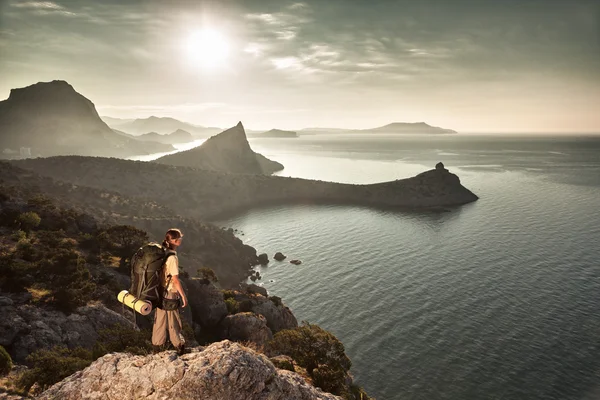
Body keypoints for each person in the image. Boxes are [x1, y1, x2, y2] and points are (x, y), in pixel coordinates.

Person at [152, 228, 188, 355]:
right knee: (173, 320)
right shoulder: (172, 257)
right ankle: (179, 346)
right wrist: (183, 296)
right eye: (178, 238)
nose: (180, 240)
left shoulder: (163, 252)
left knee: (160, 320)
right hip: (170, 292)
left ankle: (157, 348)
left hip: (160, 291)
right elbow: (175, 280)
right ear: (174, 240)